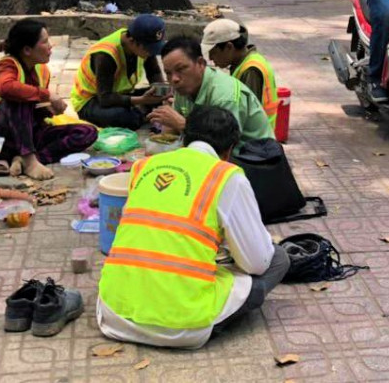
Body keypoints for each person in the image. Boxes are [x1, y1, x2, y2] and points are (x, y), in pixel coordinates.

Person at [97, 106, 290, 349]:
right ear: (229, 150)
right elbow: (258, 263)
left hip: (115, 313)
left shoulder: (144, 167)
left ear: (184, 138)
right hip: (182, 325)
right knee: (278, 259)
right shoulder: (226, 175)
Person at [0, 19, 98, 179]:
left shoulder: (41, 69)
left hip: (25, 138)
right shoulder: (7, 66)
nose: (50, 46)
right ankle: (29, 159)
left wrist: (47, 110)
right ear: (27, 50)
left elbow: (29, 114)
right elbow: (6, 88)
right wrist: (47, 95)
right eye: (45, 42)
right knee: (18, 98)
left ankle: (29, 159)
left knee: (87, 132)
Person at [147, 37, 272, 149]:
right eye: (168, 73)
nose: (174, 79)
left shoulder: (225, 96)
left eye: (181, 69)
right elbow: (172, 129)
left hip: (254, 159)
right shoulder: (184, 87)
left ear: (201, 63)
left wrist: (183, 125)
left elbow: (222, 147)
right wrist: (161, 140)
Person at [71, 15, 168, 130]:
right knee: (123, 117)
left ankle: (142, 112)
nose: (152, 53)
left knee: (163, 94)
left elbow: (154, 72)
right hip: (92, 101)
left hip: (120, 94)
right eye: (149, 49)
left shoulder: (142, 45)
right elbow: (105, 98)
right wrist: (142, 100)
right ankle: (141, 114)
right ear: (132, 41)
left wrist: (162, 92)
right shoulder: (106, 55)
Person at [201, 19, 279, 133]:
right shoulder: (245, 62)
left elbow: (244, 114)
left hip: (256, 139)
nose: (211, 58)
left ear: (229, 47)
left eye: (213, 53)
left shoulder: (251, 70)